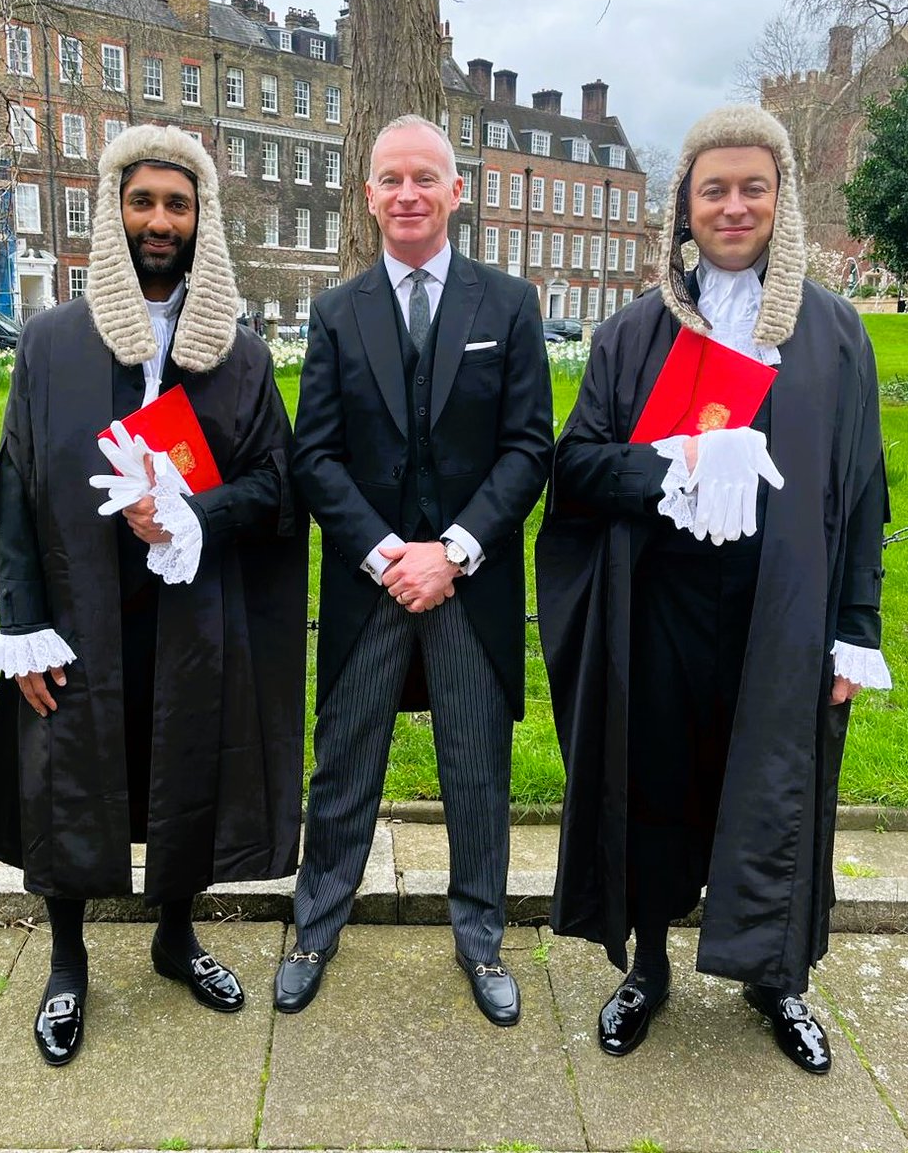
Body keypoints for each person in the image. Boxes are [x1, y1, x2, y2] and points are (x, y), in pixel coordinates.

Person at [537, 105, 890, 1074]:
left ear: (781, 198)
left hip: (781, 613)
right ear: (681, 209)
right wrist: (673, 467)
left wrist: (853, 628)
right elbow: (575, 471)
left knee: (776, 794)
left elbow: (862, 492)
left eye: (752, 188)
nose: (732, 207)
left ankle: (774, 978)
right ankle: (647, 967)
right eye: (713, 190)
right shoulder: (633, 334)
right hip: (658, 611)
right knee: (653, 786)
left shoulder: (833, 334)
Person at [0, 124, 307, 1066]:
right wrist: (23, 623)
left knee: (186, 766)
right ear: (116, 211)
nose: (160, 220)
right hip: (80, 607)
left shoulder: (236, 355)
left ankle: (174, 937)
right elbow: (15, 492)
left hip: (187, 607)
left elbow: (276, 486)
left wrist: (196, 514)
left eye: (178, 204)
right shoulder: (51, 343)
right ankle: (68, 960)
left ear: (202, 221)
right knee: (71, 775)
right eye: (143, 201)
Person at [273, 115, 553, 1026]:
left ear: (454, 191)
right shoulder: (335, 310)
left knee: (477, 770)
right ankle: (315, 927)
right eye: (390, 178)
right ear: (367, 194)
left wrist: (457, 550)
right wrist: (387, 553)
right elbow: (314, 455)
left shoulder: (507, 305)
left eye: (424, 178)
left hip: (470, 583)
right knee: (344, 765)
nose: (407, 193)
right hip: (370, 582)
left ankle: (480, 939)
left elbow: (526, 448)